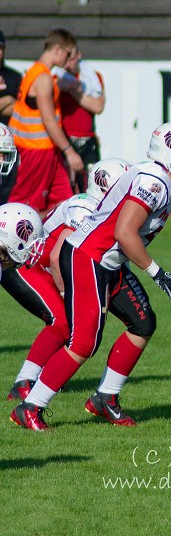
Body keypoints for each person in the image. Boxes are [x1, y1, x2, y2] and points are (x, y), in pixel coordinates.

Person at [11, 122, 171, 431]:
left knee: (143, 322)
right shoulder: (154, 182)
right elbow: (125, 233)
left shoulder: (158, 179)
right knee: (83, 343)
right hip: (90, 257)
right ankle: (30, 406)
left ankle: (105, 397)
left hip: (108, 261)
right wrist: (158, 273)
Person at [5, 159, 130, 402]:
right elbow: (56, 256)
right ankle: (25, 381)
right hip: (29, 264)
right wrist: (68, 295)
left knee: (65, 324)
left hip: (43, 266)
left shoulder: (95, 206)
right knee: (63, 321)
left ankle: (28, 380)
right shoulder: (85, 209)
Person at [8, 29, 84, 215]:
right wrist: (69, 151)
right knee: (24, 210)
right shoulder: (43, 78)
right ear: (57, 50)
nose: (69, 58)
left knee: (66, 204)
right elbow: (49, 120)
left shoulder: (34, 72)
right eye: (68, 53)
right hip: (37, 151)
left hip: (47, 150)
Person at [52, 45, 106, 193]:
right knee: (65, 191)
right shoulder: (56, 77)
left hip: (88, 141)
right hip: (65, 139)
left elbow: (98, 106)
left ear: (79, 56)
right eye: (66, 58)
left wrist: (74, 90)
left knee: (92, 190)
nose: (68, 64)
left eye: (72, 58)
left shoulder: (93, 78)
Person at [0, 32, 22, 205]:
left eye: (1, 48)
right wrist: (7, 100)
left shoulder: (14, 77)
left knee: (7, 188)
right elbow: (11, 103)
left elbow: (19, 109)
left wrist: (11, 103)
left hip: (7, 146)